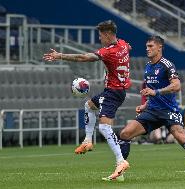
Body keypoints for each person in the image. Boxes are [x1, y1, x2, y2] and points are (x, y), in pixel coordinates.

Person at [43, 20, 131, 181]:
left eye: (100, 36)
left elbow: (83, 57)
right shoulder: (124, 44)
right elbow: (128, 47)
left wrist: (60, 55)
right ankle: (87, 141)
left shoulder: (108, 51)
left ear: (107, 34)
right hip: (117, 91)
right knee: (89, 106)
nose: (99, 39)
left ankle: (121, 161)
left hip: (113, 91)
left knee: (104, 127)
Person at [118, 36, 185, 181]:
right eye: (146, 46)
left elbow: (177, 86)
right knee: (125, 133)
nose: (147, 49)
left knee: (179, 135)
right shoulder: (148, 66)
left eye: (150, 46)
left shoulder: (167, 65)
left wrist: (156, 92)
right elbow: (152, 92)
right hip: (152, 111)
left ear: (159, 47)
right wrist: (145, 105)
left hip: (169, 110)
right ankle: (119, 173)